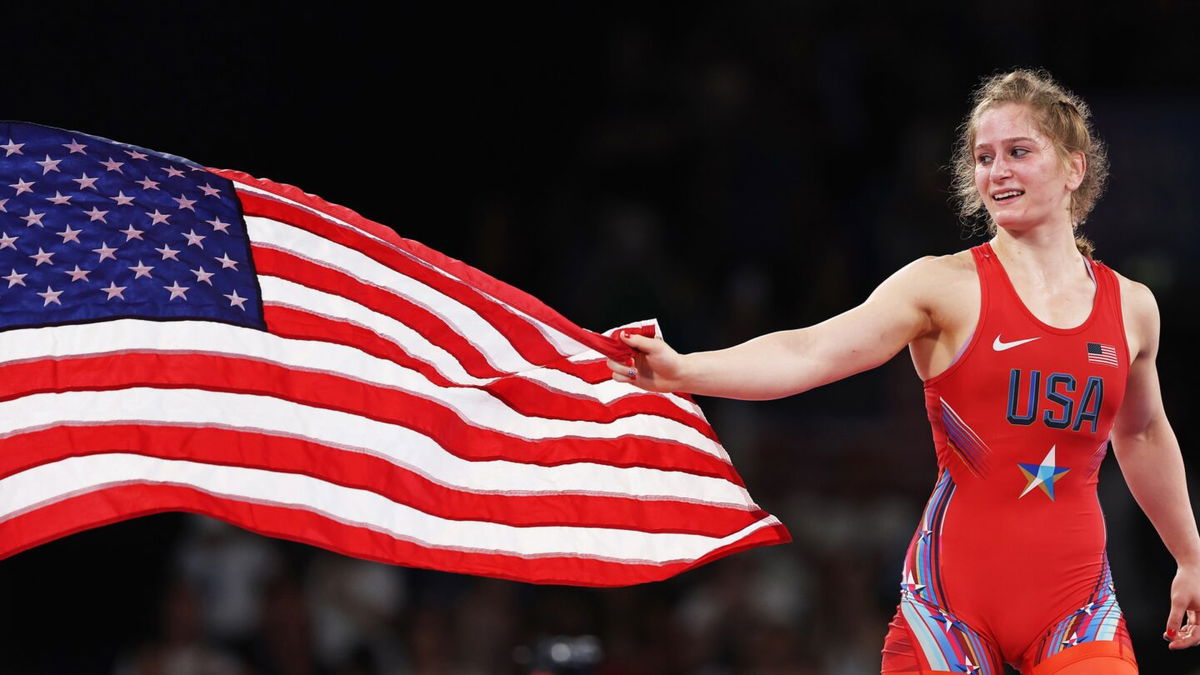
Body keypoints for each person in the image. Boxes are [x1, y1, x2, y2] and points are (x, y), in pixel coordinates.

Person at [607, 69, 1200, 674]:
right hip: (950, 610)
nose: (998, 172)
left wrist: (1190, 557)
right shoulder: (941, 286)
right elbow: (811, 351)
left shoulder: (1131, 307)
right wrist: (683, 370)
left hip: (1078, 606)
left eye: (1019, 152)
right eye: (984, 157)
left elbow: (1144, 433)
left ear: (1074, 169)